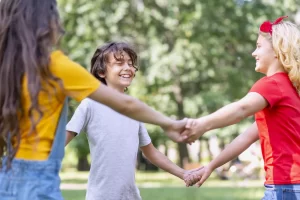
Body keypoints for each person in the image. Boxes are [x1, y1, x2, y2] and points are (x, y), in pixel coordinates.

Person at [0, 1, 187, 199]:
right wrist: (169, 124)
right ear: (47, 23)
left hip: (5, 174)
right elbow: (126, 105)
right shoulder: (54, 66)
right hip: (38, 177)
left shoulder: (7, 71)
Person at [183, 16, 300, 199]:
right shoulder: (288, 89)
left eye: (259, 46)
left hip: (285, 187)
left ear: (278, 50)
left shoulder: (272, 85)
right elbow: (245, 138)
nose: (254, 53)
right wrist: (212, 165)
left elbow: (241, 109)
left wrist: (201, 124)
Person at [66, 42, 195, 200]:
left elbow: (151, 152)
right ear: (101, 72)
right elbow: (63, 139)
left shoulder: (134, 110)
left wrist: (184, 174)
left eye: (130, 63)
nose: (128, 67)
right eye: (119, 63)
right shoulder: (90, 105)